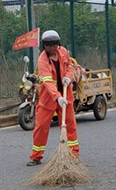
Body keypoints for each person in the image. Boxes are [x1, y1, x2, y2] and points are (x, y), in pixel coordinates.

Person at [27, 30, 79, 166]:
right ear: (44, 46)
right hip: (49, 98)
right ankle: (36, 156)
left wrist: (68, 76)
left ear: (58, 44)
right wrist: (57, 97)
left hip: (66, 95)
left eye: (54, 45)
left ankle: (73, 154)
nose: (52, 48)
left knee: (70, 125)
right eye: (49, 46)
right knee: (41, 127)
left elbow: (70, 67)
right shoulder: (42, 61)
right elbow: (48, 82)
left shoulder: (63, 52)